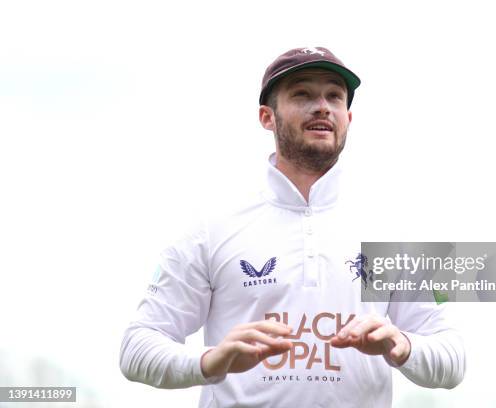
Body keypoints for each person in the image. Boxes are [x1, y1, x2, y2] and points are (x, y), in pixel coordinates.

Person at [119, 46, 466, 407]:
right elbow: (137, 347)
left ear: (348, 116)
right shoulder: (211, 227)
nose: (322, 107)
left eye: (334, 96)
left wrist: (402, 345)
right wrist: (210, 361)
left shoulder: (394, 230)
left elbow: (452, 357)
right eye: (302, 94)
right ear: (267, 117)